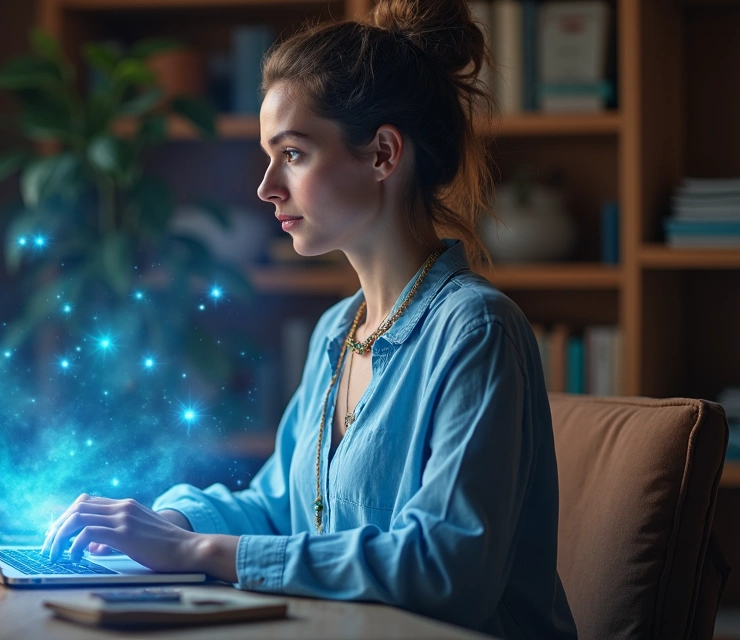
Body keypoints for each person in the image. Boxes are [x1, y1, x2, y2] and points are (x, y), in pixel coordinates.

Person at [40, 0, 578, 636]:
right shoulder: (337, 331)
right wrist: (168, 523)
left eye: (292, 153)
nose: (267, 186)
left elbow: (446, 569)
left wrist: (198, 552)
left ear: (382, 154)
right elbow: (277, 510)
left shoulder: (476, 331)